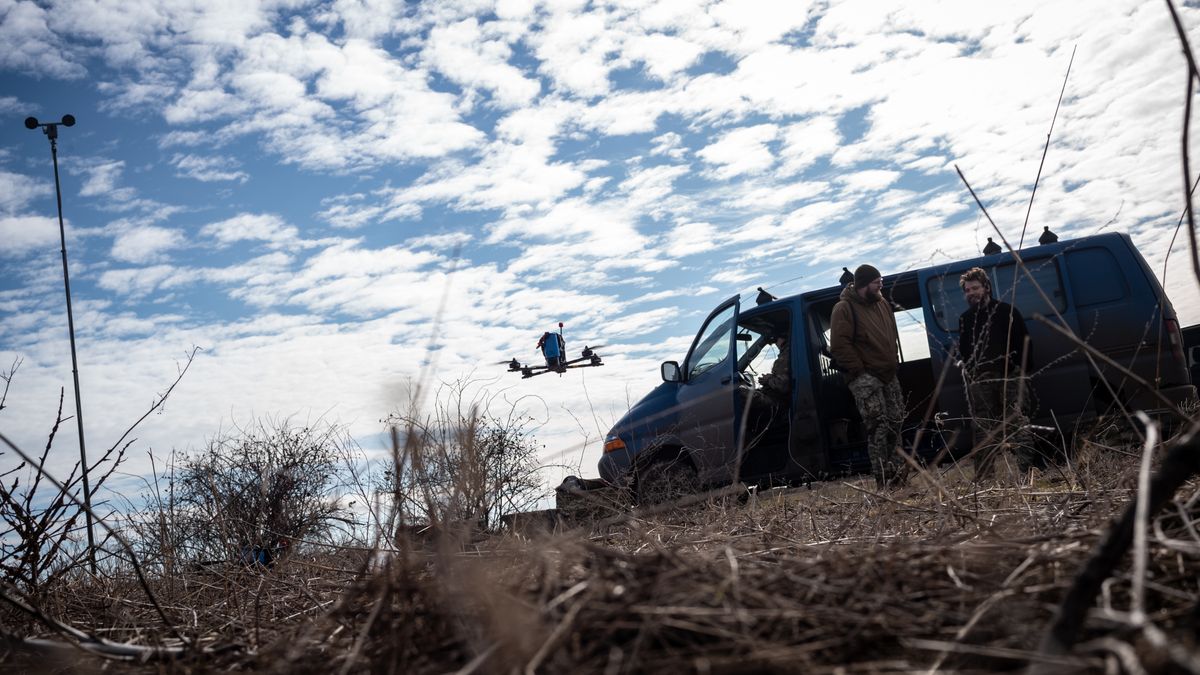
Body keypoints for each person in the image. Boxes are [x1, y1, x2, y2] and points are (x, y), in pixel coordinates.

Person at [957, 267, 1037, 480]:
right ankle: (984, 478)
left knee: (1017, 423)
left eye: (975, 288)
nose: (971, 292)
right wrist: (973, 373)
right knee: (983, 430)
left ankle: (1026, 473)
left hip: (1009, 377)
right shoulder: (965, 319)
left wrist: (1020, 371)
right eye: (967, 290)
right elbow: (964, 352)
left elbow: (1025, 342)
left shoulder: (1006, 311)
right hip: (981, 382)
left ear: (987, 288)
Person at [830, 264, 906, 488]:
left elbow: (891, 334)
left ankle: (898, 480)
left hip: (888, 375)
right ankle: (884, 483)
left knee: (896, 424)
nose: (881, 285)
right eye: (876, 282)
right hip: (866, 379)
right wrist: (860, 373)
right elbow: (840, 346)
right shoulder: (843, 308)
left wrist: (893, 362)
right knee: (878, 429)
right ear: (863, 285)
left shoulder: (882, 304)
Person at [758, 335, 790, 403]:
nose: (775, 344)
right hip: (774, 396)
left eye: (776, 340)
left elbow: (784, 385)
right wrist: (769, 378)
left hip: (777, 400)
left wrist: (768, 379)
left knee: (739, 394)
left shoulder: (787, 355)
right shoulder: (786, 353)